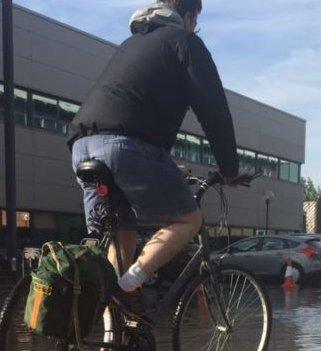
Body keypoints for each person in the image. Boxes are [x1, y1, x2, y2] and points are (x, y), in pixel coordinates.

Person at [67, 0, 239, 316]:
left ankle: (113, 332)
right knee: (189, 219)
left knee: (123, 229)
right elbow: (214, 110)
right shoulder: (184, 42)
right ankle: (130, 284)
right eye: (195, 23)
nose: (194, 29)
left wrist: (164, 163)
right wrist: (229, 170)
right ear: (188, 17)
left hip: (82, 146)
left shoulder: (132, 44)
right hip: (125, 147)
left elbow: (128, 109)